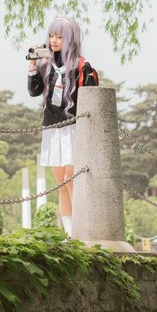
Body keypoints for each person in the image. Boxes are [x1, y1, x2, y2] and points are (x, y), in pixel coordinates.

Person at [27, 16, 98, 234]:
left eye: (59, 37)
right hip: (52, 128)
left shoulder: (82, 67)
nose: (54, 40)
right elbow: (33, 91)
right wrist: (32, 65)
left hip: (74, 129)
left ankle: (82, 228)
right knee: (60, 182)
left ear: (70, 39)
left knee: (71, 180)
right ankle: (69, 232)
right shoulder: (46, 65)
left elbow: (93, 101)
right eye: (51, 36)